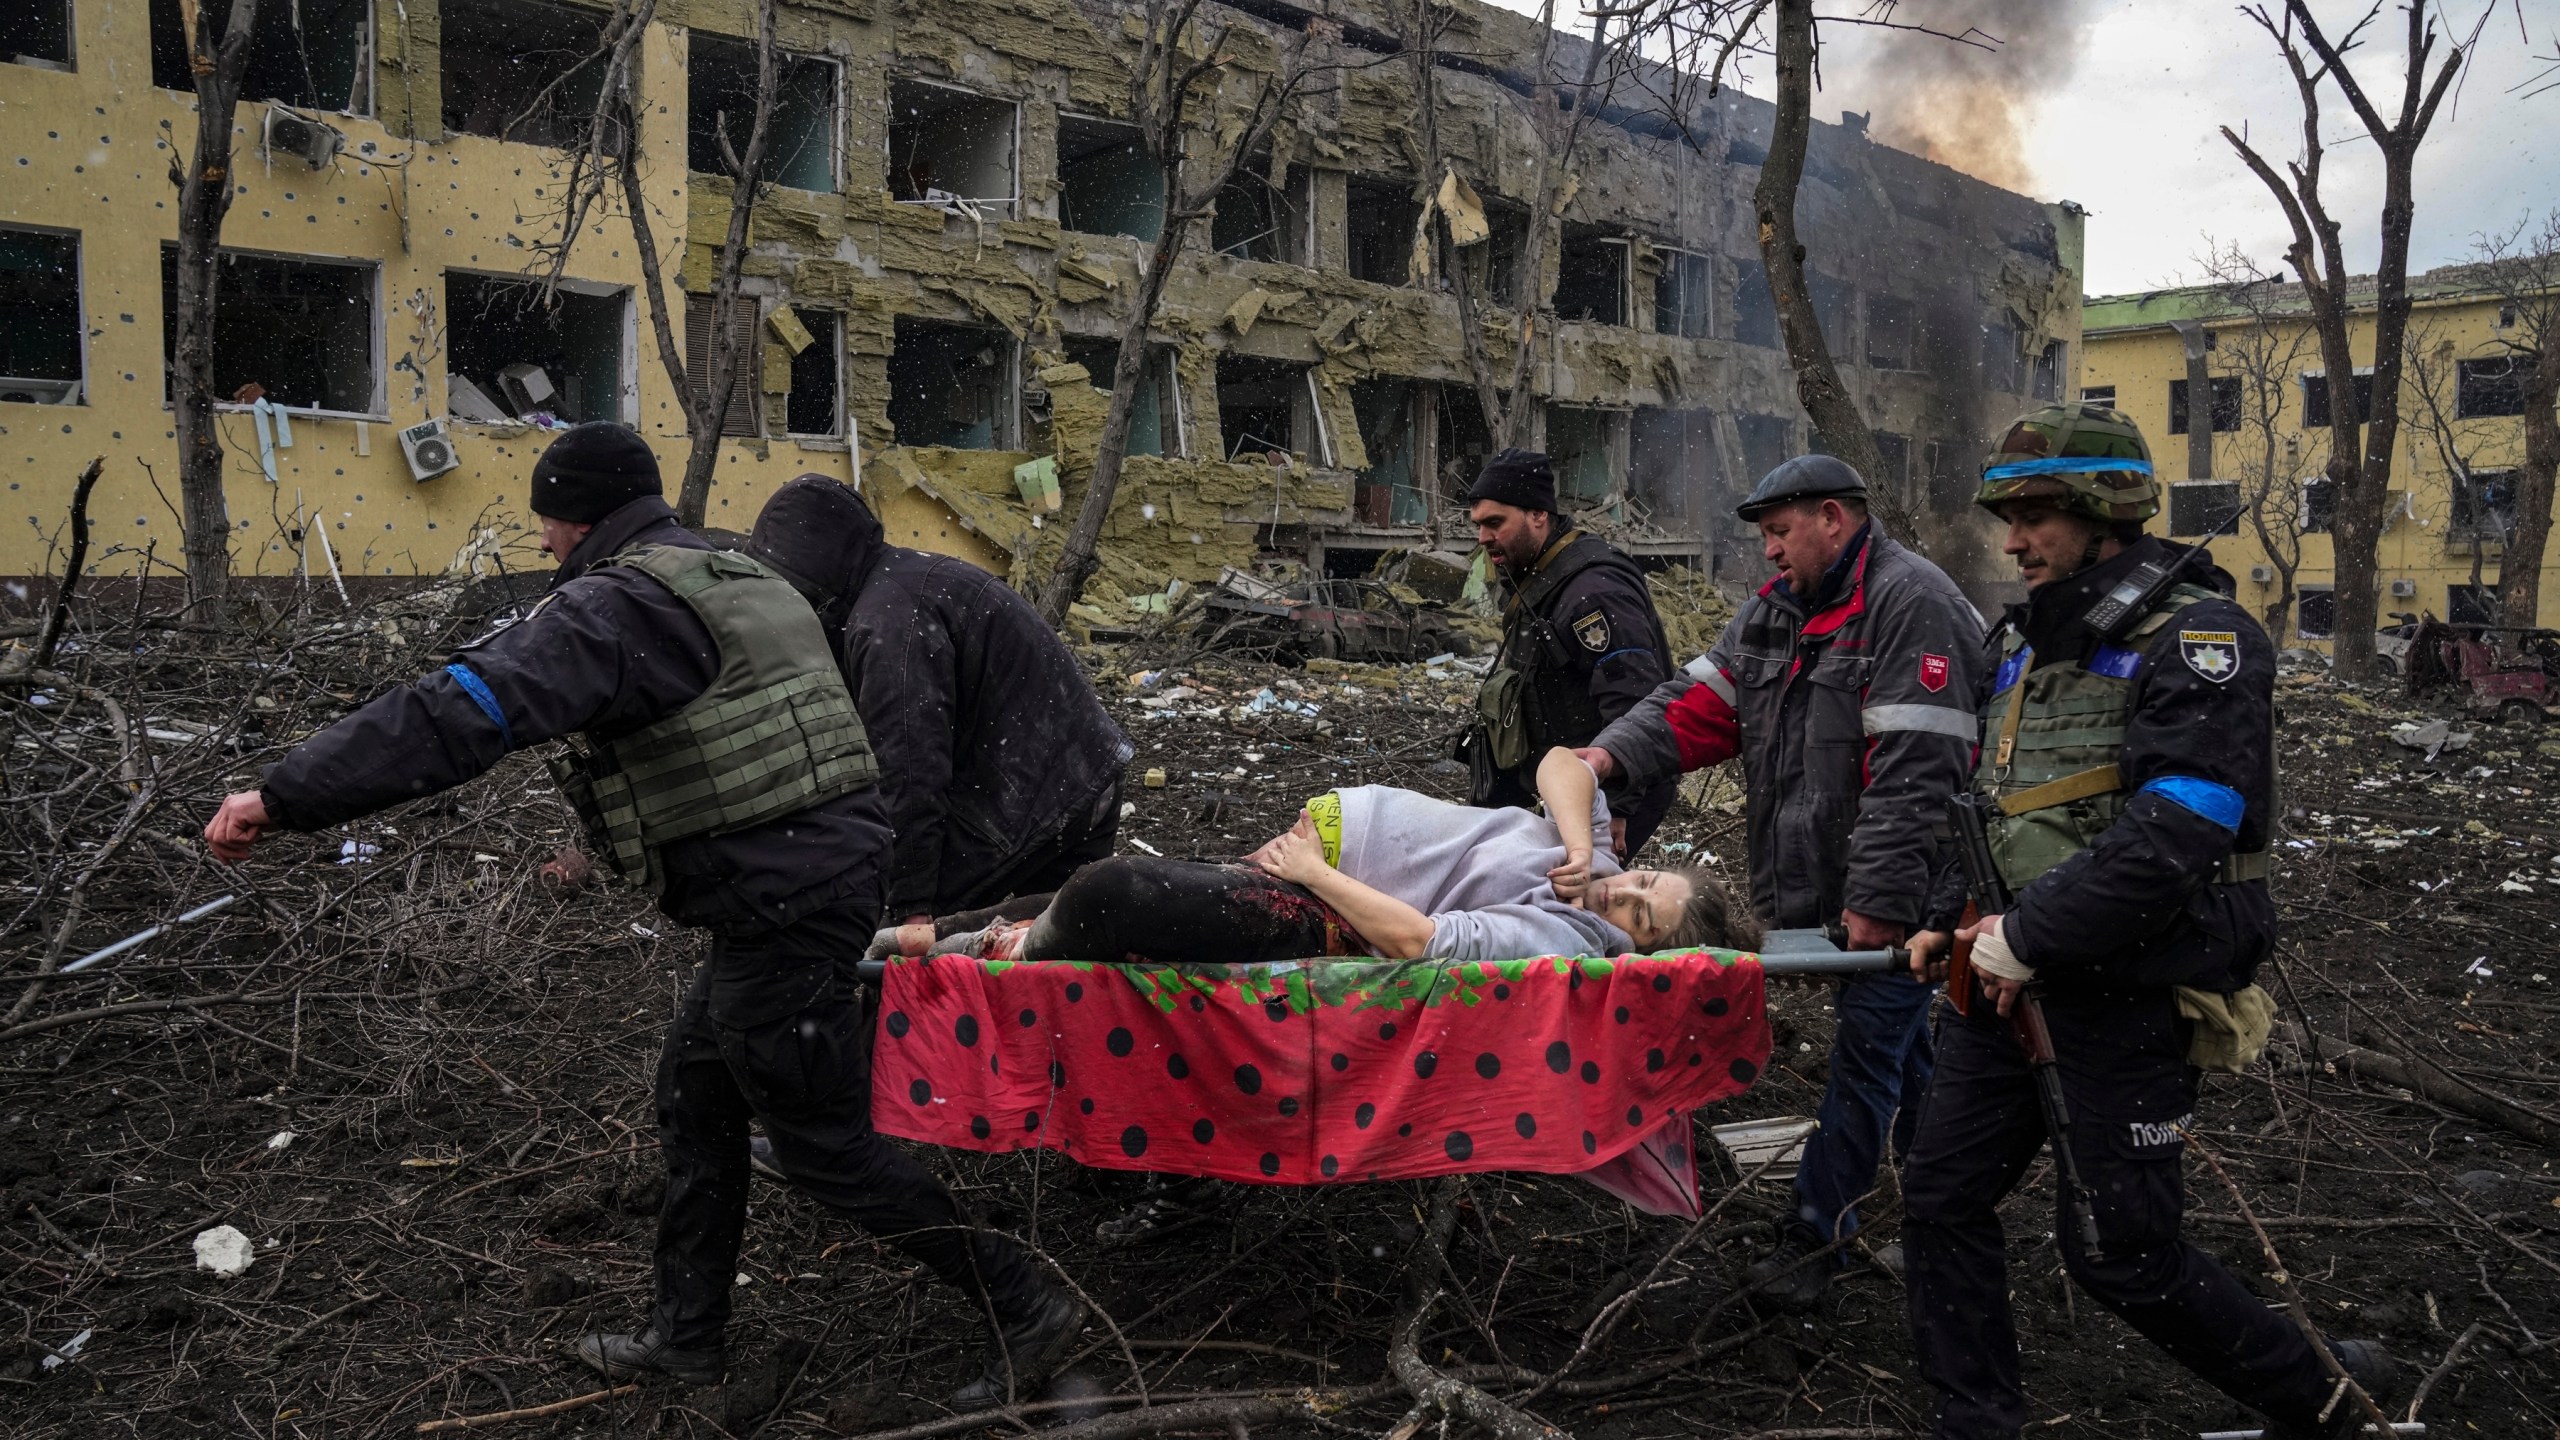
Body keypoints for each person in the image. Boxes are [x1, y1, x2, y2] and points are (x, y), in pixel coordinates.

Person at [200, 423, 1084, 1407]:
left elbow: (460, 712)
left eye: (545, 521)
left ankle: (1024, 1306)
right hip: (807, 881)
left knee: (821, 1142)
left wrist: (283, 797)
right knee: (696, 1095)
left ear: (573, 518)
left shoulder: (616, 608)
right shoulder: (724, 566)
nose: (541, 544)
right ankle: (685, 1338)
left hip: (787, 898)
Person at [1899, 403, 2396, 1438]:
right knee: (1940, 1200)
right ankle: (1975, 1423)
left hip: (2124, 992)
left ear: (2104, 511)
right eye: (2009, 515)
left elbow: (2188, 821)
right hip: (2001, 982)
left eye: (2036, 514)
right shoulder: (2024, 646)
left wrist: (2028, 936)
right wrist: (1947, 918)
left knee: (2120, 1252)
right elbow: (2002, 804)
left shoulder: (2200, 638)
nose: (2014, 539)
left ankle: (2323, 1402)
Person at [1575, 454, 1982, 1307]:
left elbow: (1918, 772)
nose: (1767, 552)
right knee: (1901, 1052)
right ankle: (1945, 1202)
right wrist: (1607, 758)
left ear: (1833, 518)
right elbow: (1694, 706)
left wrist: (1878, 901)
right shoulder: (1774, 615)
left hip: (1906, 894)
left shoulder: (1915, 605)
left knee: (1869, 1054)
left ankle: (1814, 1240)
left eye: (1779, 532)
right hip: (1825, 887)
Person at [900, 748, 1759, 968]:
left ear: (1637, 952)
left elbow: (1423, 941)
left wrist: (1314, 875)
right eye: (1644, 881)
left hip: (1327, 903)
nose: (1623, 896)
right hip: (1321, 853)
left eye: (1639, 917)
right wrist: (1583, 844)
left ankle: (981, 954)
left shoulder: (1568, 942)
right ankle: (916, 935)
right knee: (1111, 890)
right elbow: (1563, 765)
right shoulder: (1593, 864)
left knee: (1111, 891)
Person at [746, 474, 1133, 924]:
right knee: (1045, 952)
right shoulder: (900, 583)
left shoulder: (888, 622)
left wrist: (909, 904)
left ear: (811, 575)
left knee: (892, 939)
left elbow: (909, 766)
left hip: (1040, 796)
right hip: (1080, 775)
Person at [1459, 449, 1679, 855]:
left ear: (1539, 515)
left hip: (1607, 788)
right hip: (1566, 781)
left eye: (1495, 523)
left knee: (1574, 901)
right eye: (1478, 525)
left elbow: (1634, 702)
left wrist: (1615, 804)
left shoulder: (1592, 593)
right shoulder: (1540, 573)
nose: (1483, 538)